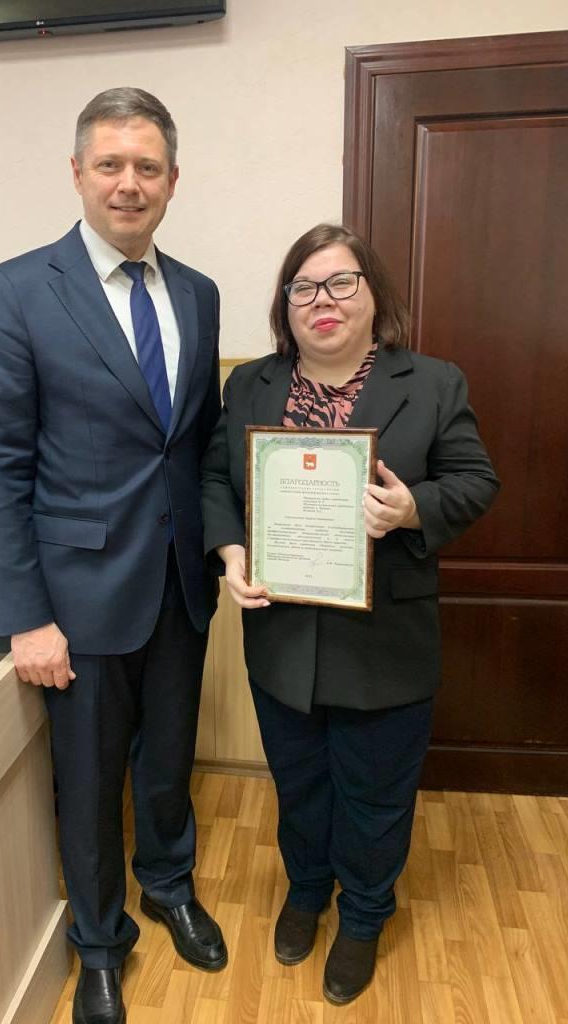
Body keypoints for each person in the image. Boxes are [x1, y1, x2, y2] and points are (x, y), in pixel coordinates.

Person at [0, 87, 227, 1024]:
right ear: (77, 173)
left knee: (168, 760)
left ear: (173, 180)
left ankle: (169, 885)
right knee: (87, 781)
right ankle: (100, 941)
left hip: (180, 583)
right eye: (110, 164)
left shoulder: (197, 292)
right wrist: (27, 614)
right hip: (75, 595)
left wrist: (226, 546)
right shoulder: (15, 290)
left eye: (147, 167)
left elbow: (195, 444)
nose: (129, 184)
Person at [201, 224, 499, 1004]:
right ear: (286, 304)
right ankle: (307, 890)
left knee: (374, 793)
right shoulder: (250, 385)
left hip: (386, 639)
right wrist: (230, 552)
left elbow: (476, 481)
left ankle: (364, 914)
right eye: (303, 286)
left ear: (373, 295)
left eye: (341, 282)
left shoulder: (432, 383)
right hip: (282, 636)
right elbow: (215, 479)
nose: (322, 300)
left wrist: (411, 509)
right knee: (300, 782)